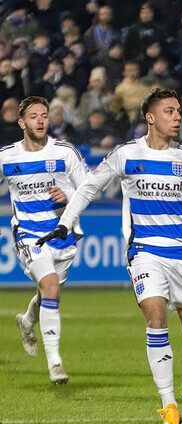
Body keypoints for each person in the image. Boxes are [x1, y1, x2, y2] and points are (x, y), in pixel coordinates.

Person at [36, 88, 182, 424]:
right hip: (144, 252)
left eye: (179, 111)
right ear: (151, 117)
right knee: (155, 317)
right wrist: (66, 220)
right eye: (170, 111)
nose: (178, 117)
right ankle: (169, 405)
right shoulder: (126, 154)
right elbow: (89, 187)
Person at [0, 96, 88, 384]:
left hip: (63, 235)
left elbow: (88, 191)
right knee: (49, 286)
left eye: (45, 115)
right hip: (28, 234)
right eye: (34, 116)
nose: (41, 120)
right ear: (21, 122)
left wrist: (69, 197)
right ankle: (55, 362)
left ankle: (26, 322)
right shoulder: (7, 157)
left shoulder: (65, 153)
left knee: (49, 293)